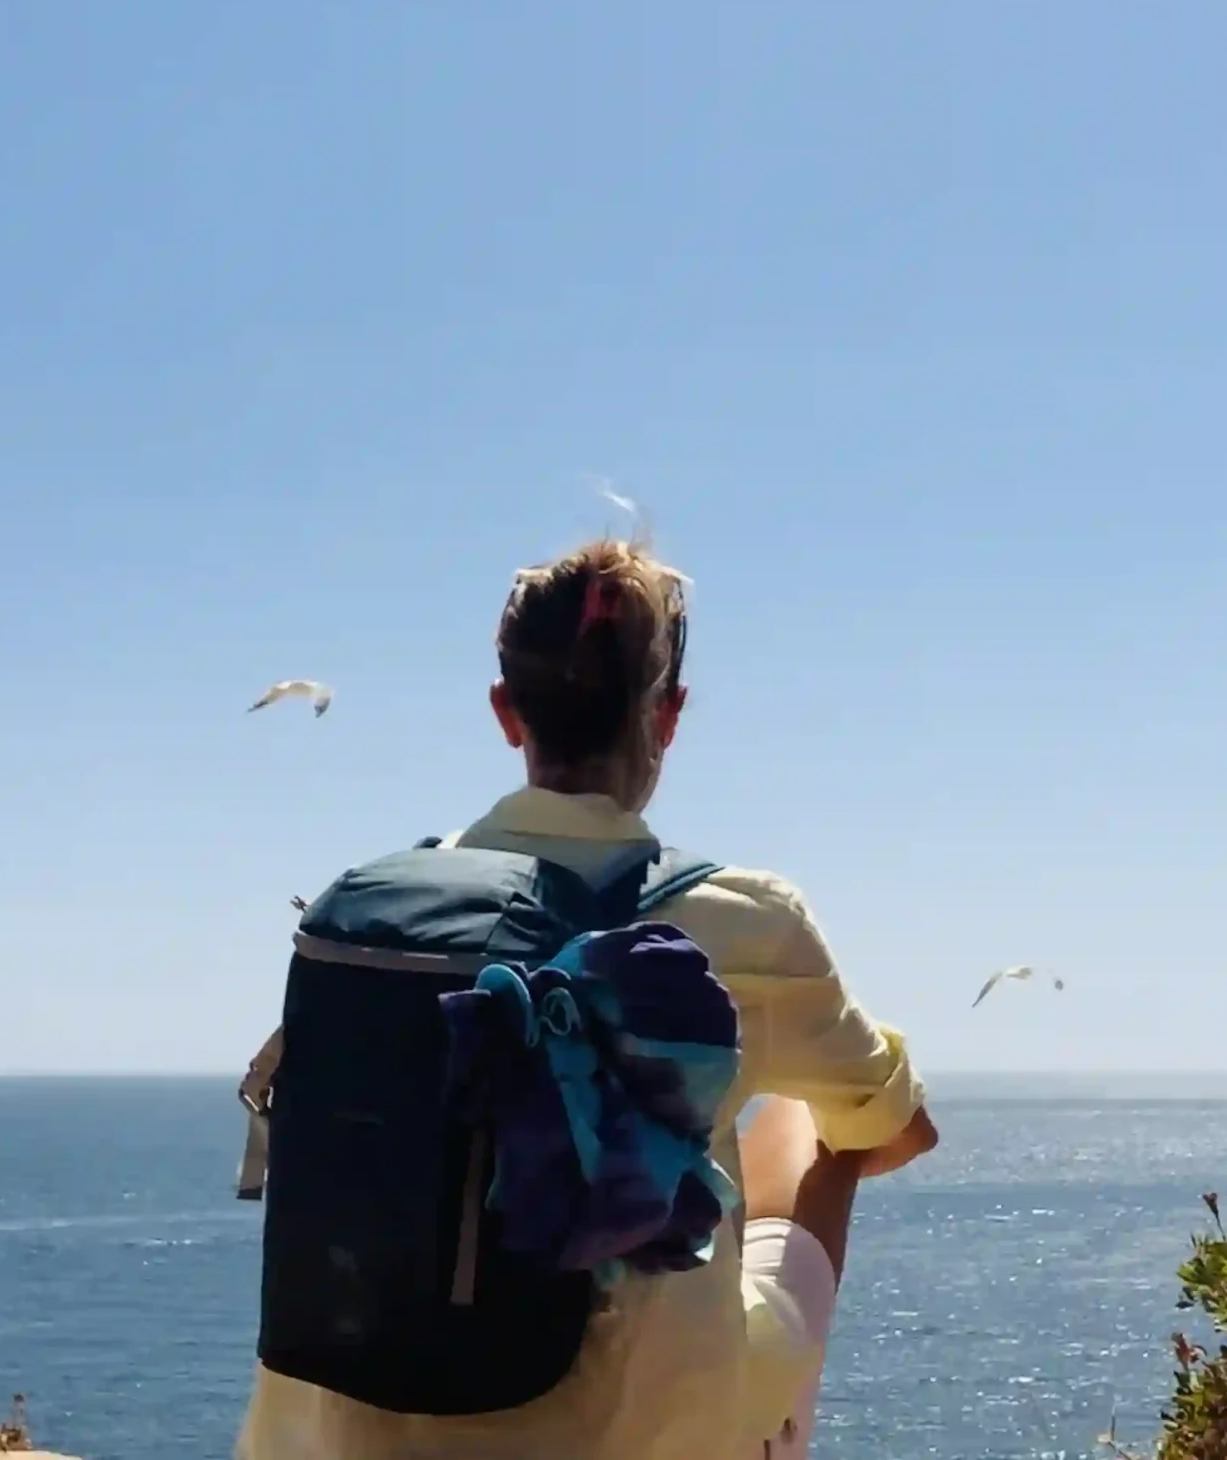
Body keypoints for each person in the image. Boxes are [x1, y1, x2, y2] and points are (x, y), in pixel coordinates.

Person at [236, 537, 938, 1459]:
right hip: (637, 1436)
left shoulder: (372, 914)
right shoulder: (744, 922)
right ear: (670, 715)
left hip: (336, 1433)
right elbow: (896, 1128)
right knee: (811, 1128)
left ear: (505, 712)